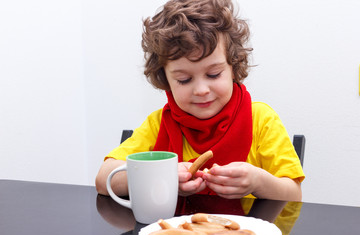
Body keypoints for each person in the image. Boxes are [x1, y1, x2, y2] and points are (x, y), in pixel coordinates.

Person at [95, 0, 305, 202]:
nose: (202, 90)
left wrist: (258, 182)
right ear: (165, 79)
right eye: (184, 80)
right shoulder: (158, 124)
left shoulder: (261, 120)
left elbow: (294, 196)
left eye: (213, 74)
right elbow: (104, 179)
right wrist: (159, 176)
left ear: (233, 65)